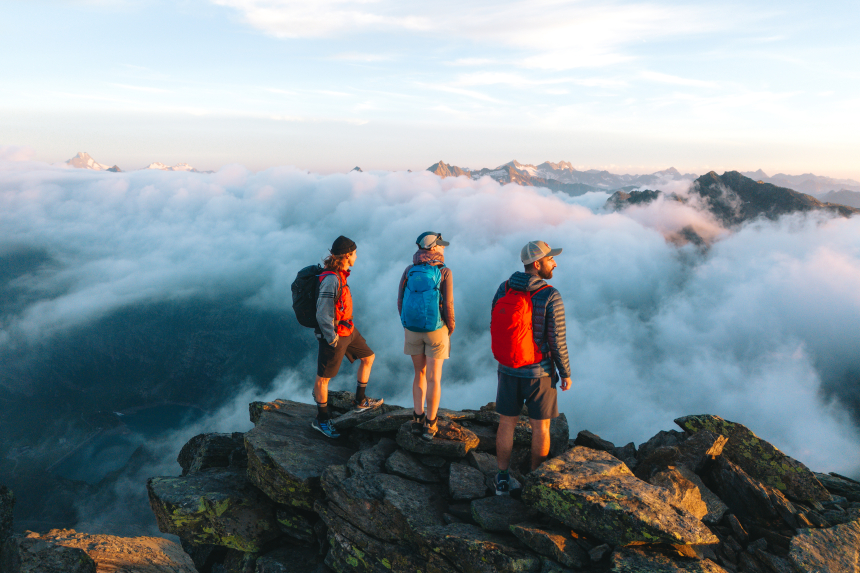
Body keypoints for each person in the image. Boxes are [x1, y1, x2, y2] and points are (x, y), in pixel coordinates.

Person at [491, 240, 572, 495]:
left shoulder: (504, 288)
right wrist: (566, 372)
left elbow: (495, 323)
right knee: (541, 428)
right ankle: (536, 480)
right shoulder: (550, 295)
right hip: (540, 372)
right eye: (550, 259)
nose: (555, 263)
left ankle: (502, 478)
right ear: (537, 264)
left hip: (507, 369)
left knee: (506, 424)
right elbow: (557, 340)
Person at [311, 236, 383, 438]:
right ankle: (322, 420)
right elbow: (322, 314)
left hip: (349, 331)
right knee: (323, 379)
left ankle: (360, 401)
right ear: (347, 255)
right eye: (355, 253)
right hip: (335, 336)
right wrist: (331, 339)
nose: (357, 256)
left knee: (369, 358)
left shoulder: (340, 275)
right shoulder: (332, 279)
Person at [398, 232, 455, 441]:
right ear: (433, 248)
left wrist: (407, 324)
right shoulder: (444, 272)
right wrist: (450, 327)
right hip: (436, 330)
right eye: (441, 245)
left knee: (418, 374)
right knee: (434, 378)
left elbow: (400, 300)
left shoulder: (409, 270)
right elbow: (448, 305)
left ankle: (417, 419)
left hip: (412, 329)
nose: (443, 248)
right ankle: (431, 424)